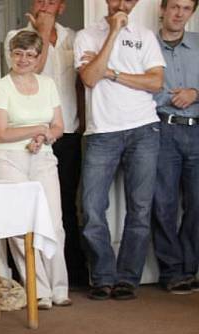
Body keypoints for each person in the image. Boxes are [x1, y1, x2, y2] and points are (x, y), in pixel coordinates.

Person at [74, 0, 164, 301]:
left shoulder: (145, 35)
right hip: (102, 132)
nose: (122, 3)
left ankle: (127, 278)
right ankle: (102, 276)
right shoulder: (86, 36)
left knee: (140, 209)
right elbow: (88, 77)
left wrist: (111, 73)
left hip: (144, 129)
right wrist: (113, 33)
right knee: (91, 209)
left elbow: (156, 81)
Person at [5, 0, 88, 286]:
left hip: (67, 131)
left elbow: (78, 84)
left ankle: (70, 274)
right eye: (41, 0)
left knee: (64, 204)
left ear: (62, 7)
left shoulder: (73, 38)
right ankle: (29, 276)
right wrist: (42, 28)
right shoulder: (16, 37)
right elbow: (33, 71)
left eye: (53, 1)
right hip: (27, 138)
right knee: (30, 206)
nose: (46, 4)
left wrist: (85, 123)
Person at [0, 30, 70, 309]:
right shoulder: (1, 87)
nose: (23, 59)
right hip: (9, 160)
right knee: (22, 227)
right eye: (18, 53)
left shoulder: (47, 84)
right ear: (10, 55)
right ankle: (39, 291)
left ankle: (60, 288)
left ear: (38, 59)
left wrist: (44, 136)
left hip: (43, 157)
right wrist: (38, 128)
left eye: (30, 55)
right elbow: (1, 132)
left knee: (55, 224)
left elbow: (59, 126)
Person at [151, 0, 199, 295]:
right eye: (175, 7)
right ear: (162, 9)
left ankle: (190, 268)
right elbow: (134, 89)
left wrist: (195, 93)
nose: (179, 14)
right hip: (162, 129)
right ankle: (172, 271)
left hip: (197, 129)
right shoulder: (146, 45)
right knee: (163, 204)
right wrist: (166, 99)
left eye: (186, 8)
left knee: (197, 204)